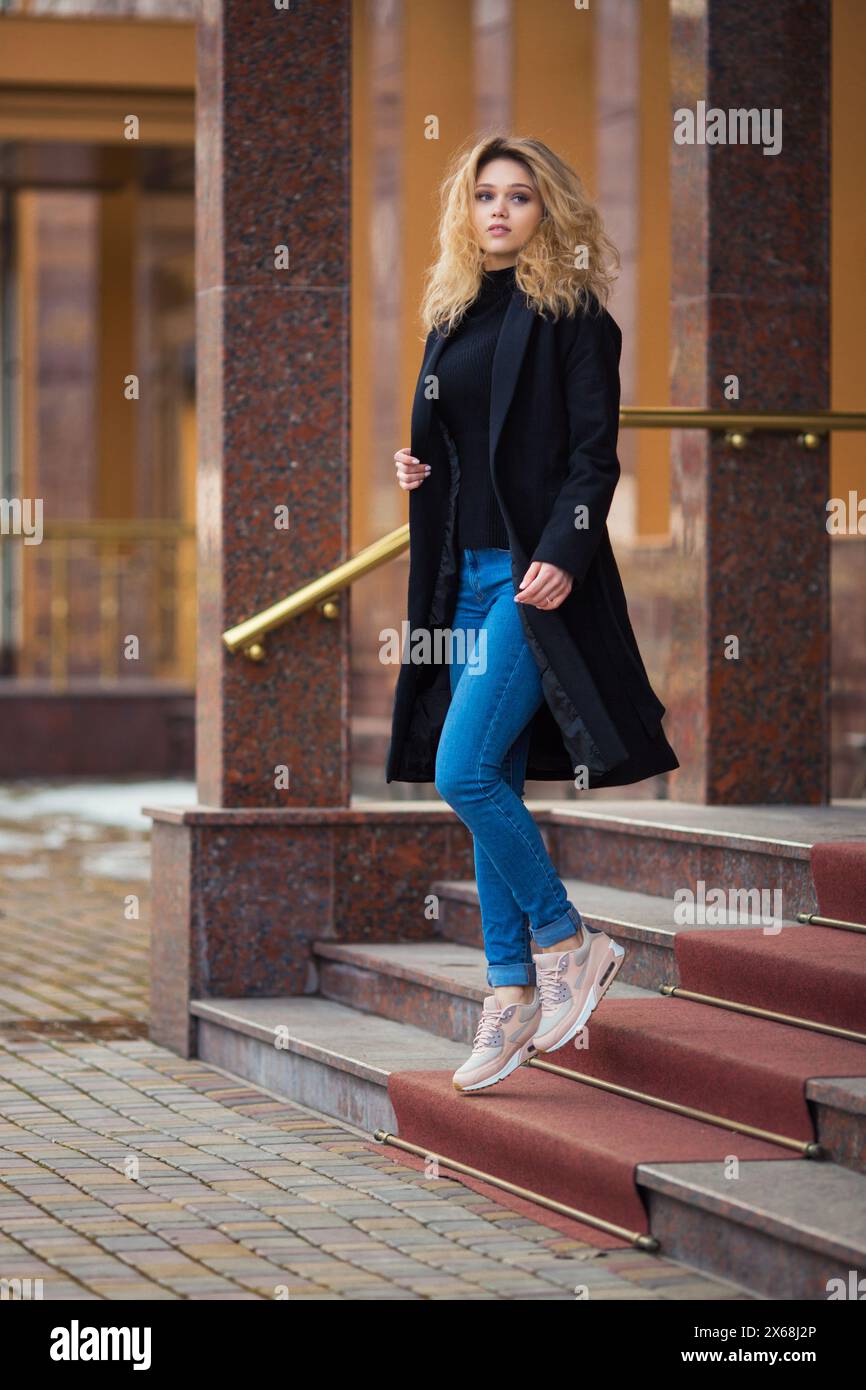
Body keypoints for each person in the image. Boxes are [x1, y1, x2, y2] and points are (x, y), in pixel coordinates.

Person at [389, 135, 678, 1094]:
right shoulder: (452, 314)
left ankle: (569, 942)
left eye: (520, 195)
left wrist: (562, 549)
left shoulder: (575, 319)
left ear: (549, 209)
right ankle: (509, 993)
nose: (501, 210)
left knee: (461, 770)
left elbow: (595, 460)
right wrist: (423, 468)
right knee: (492, 778)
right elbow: (467, 436)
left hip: (526, 580)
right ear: (465, 212)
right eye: (484, 196)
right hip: (458, 577)